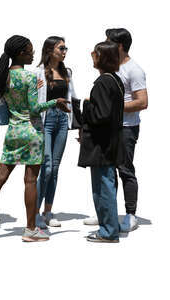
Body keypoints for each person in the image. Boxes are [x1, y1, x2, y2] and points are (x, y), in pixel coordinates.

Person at [0, 35, 70, 242]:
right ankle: (30, 229)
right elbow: (35, 109)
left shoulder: (4, 76)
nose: (33, 54)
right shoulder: (29, 78)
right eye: (30, 51)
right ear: (20, 53)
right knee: (30, 180)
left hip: (13, 132)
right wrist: (55, 102)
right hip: (32, 131)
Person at [83, 28, 148, 232]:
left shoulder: (134, 69)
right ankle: (109, 212)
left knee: (125, 169)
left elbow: (143, 102)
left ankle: (130, 214)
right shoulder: (111, 67)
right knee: (107, 170)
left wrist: (112, 109)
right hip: (109, 128)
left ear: (119, 46)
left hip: (126, 127)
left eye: (108, 41)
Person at [78, 41, 125, 243]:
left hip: (101, 146)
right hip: (110, 144)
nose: (92, 56)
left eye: (95, 53)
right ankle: (110, 227)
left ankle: (108, 231)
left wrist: (86, 105)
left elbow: (101, 115)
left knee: (103, 187)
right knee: (107, 185)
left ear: (103, 57)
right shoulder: (115, 80)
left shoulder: (104, 82)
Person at [34, 36, 77, 228]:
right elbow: (33, 100)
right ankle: (34, 212)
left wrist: (80, 125)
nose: (64, 51)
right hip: (46, 120)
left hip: (62, 120)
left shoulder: (66, 72)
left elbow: (73, 98)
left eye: (65, 48)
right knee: (47, 167)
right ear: (50, 50)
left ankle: (48, 211)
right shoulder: (38, 73)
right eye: (61, 48)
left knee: (56, 168)